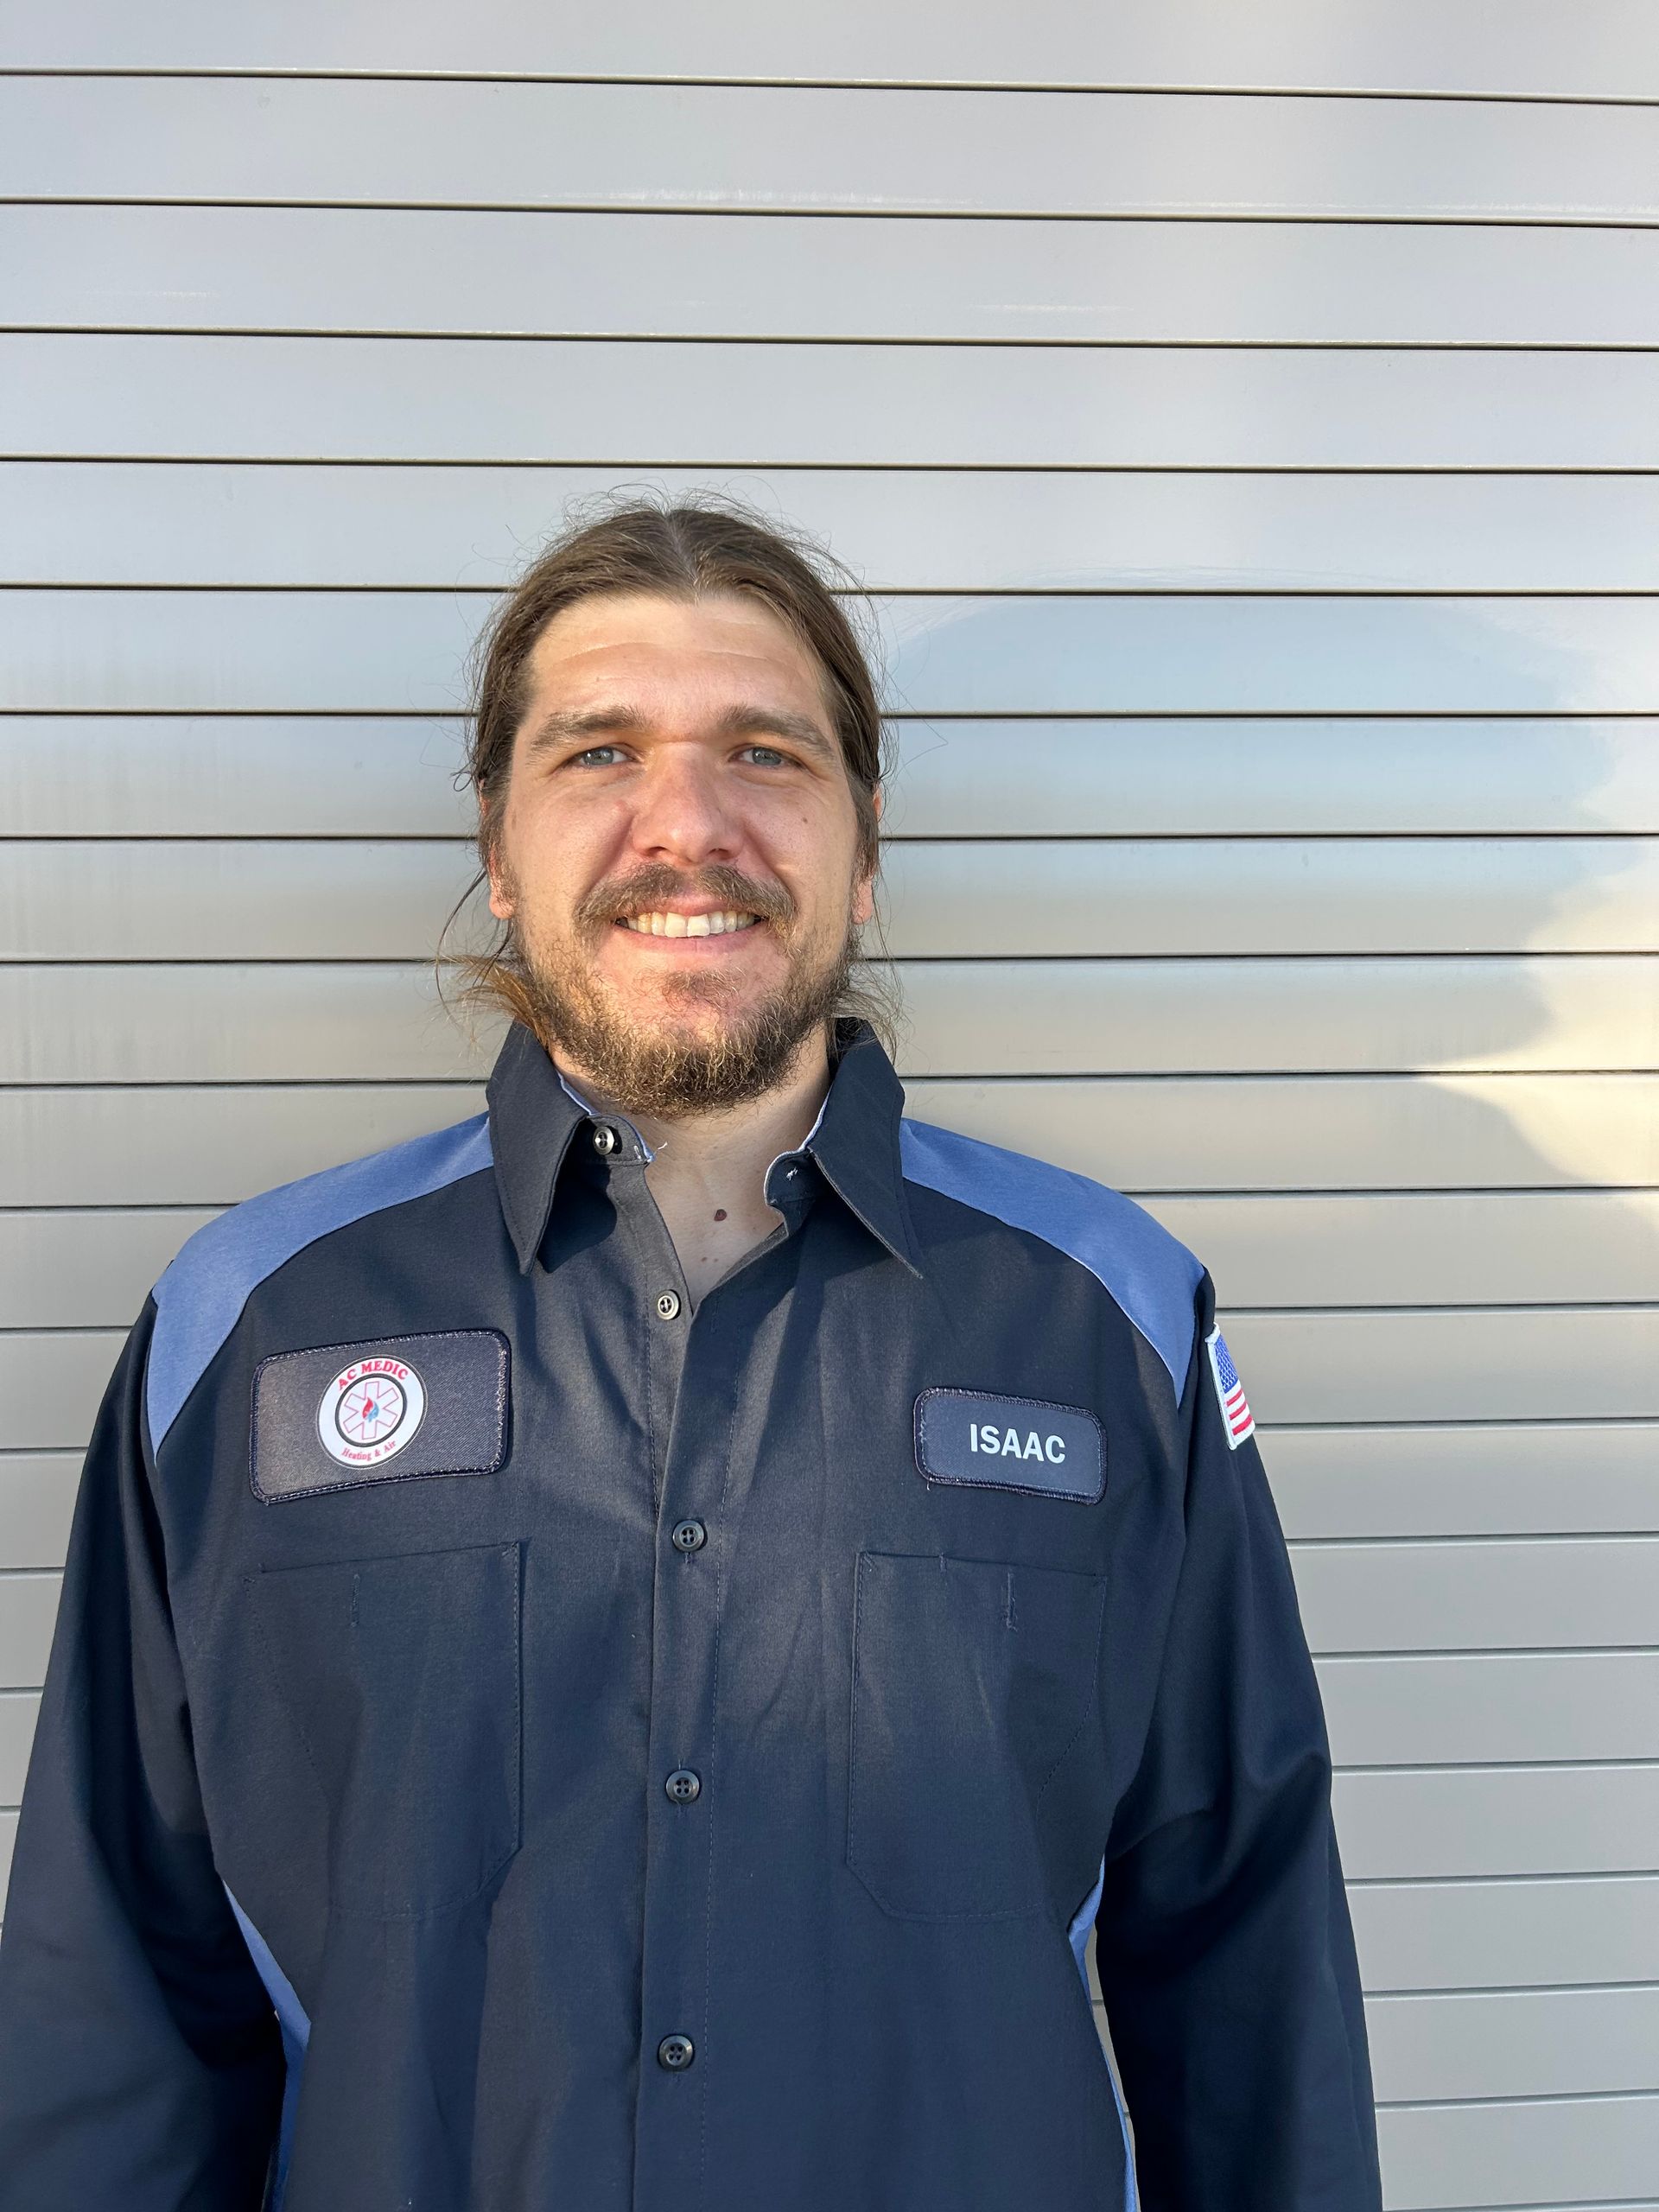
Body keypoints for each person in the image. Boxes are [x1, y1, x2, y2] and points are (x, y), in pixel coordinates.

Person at [0, 500, 1382, 2210]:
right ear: (498, 845)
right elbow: (119, 1979)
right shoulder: (250, 1323)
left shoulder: (1108, 1313)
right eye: (598, 751)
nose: (689, 822)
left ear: (862, 845)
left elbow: (1243, 1943)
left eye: (766, 752)